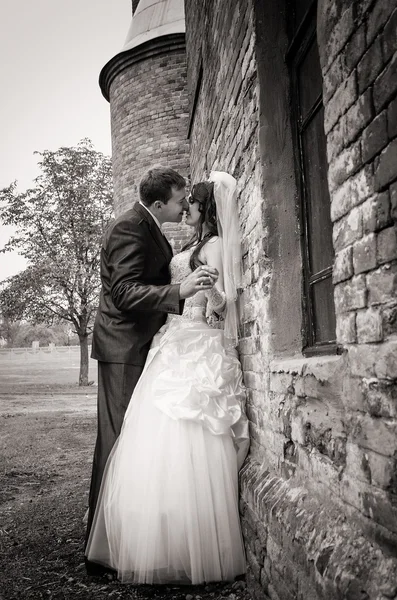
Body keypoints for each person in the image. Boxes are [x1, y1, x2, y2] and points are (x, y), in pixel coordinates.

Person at [85, 171, 250, 584]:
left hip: (163, 341)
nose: (184, 208)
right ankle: (105, 546)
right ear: (159, 204)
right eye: (179, 201)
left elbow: (211, 296)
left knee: (141, 442)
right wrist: (180, 292)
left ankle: (143, 535)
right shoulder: (129, 226)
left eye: (189, 202)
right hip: (125, 346)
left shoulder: (157, 229)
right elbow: (124, 292)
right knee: (118, 440)